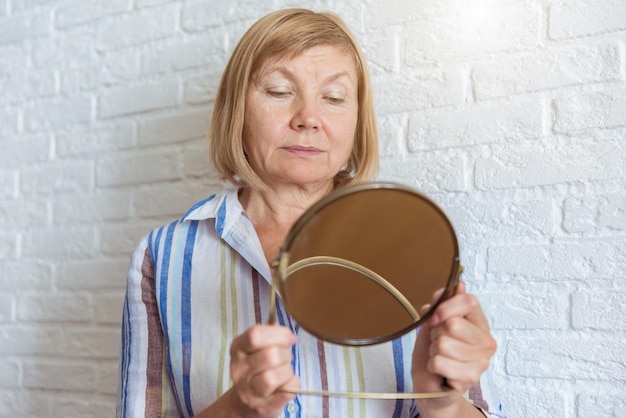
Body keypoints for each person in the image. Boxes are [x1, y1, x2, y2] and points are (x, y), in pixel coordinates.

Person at [116, 8, 503, 418]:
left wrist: (443, 404)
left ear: (356, 119)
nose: (309, 119)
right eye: (280, 91)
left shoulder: (417, 244)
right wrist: (239, 408)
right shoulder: (162, 257)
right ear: (237, 110)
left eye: (334, 98)